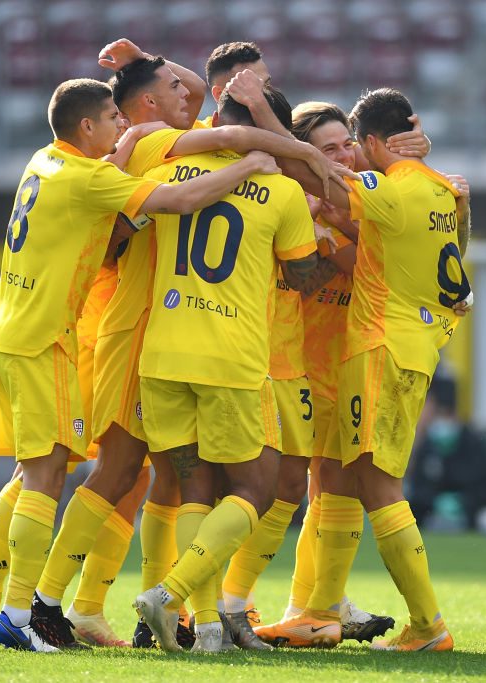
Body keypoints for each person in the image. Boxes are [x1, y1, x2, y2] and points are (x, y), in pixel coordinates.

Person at [0, 75, 285, 653]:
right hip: (66, 336)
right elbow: (179, 196)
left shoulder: (45, 158)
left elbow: (176, 112)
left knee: (93, 473)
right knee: (79, 472)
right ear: (92, 125)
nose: (130, 128)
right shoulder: (109, 168)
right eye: (120, 120)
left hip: (14, 330)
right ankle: (30, 607)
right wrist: (253, 164)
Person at [132, 85, 346, 654]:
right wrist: (327, 240)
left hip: (162, 354)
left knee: (194, 489)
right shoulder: (279, 191)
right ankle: (170, 594)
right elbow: (300, 279)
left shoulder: (172, 162)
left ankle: (205, 631)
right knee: (256, 488)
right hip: (230, 359)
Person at [262, 87, 472, 652]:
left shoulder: (388, 189)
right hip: (413, 346)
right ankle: (318, 613)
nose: (348, 154)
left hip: (381, 346)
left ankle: (428, 626)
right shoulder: (443, 188)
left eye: (354, 145)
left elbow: (331, 184)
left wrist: (260, 117)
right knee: (342, 479)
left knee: (376, 485)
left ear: (374, 143)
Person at [403, 378, 486, 531]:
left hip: (473, 528)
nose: (442, 422)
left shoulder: (474, 445)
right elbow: (417, 494)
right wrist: (433, 503)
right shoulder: (427, 446)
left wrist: (465, 503)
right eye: (438, 415)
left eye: (446, 415)